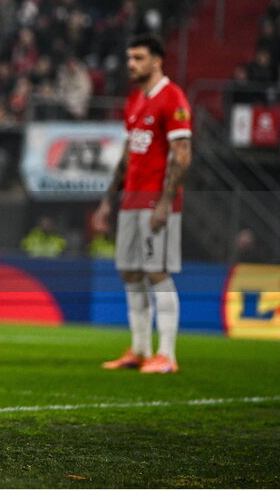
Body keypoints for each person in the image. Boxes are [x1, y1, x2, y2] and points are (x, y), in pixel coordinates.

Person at [93, 34, 192, 374]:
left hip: (155, 199)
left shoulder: (172, 98)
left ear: (157, 61)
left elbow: (182, 154)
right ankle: (138, 350)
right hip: (131, 198)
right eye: (129, 58)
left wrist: (166, 202)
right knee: (130, 272)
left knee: (156, 271)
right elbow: (127, 155)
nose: (131, 64)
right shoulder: (135, 100)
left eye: (138, 58)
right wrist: (108, 201)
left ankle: (166, 355)